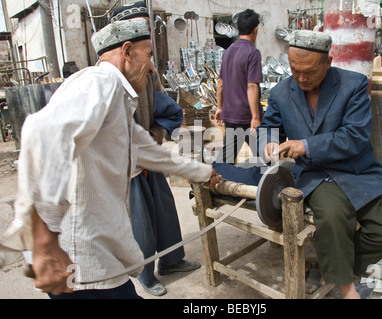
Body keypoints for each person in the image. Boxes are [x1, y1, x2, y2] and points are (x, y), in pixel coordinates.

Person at [1, 18, 221, 299]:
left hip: (89, 256)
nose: (153, 68)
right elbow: (42, 132)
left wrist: (203, 173)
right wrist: (45, 240)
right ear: (127, 51)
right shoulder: (100, 82)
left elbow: (151, 152)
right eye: (149, 55)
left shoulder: (117, 99)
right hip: (78, 259)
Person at [258, 30, 382, 299]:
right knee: (333, 217)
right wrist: (268, 144)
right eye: (294, 70)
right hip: (314, 175)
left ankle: (337, 267)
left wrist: (306, 145)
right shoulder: (280, 92)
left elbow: (355, 135)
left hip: (357, 170)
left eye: (309, 71)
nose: (301, 78)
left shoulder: (354, 84)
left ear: (328, 62)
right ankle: (346, 288)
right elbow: (268, 128)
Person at [110, 2, 200, 297]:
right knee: (140, 222)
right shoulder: (108, 78)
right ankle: (144, 274)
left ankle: (172, 261)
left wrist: (158, 135)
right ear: (124, 44)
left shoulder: (148, 67)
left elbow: (164, 102)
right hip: (129, 164)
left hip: (150, 151)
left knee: (165, 211)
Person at [214, 9, 263, 164]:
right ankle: (269, 185)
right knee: (266, 159)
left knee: (227, 158)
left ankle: (214, 183)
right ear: (255, 30)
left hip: (230, 114)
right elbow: (252, 86)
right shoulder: (253, 53)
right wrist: (255, 117)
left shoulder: (228, 51)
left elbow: (220, 83)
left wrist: (219, 107)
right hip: (246, 117)